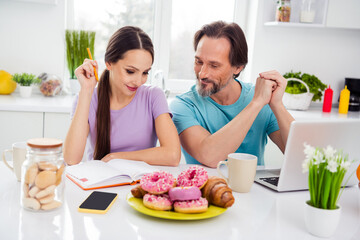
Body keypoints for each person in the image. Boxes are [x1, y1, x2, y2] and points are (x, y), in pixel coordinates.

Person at [170, 21, 295, 168]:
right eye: (198, 61)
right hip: (206, 189)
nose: (202, 73)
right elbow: (210, 157)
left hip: (254, 190)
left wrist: (277, 105)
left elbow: (301, 157)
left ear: (238, 68)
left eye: (214, 65)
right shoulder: (183, 105)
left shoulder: (261, 100)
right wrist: (256, 103)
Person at [64, 26, 181, 166]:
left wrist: (116, 157)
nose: (138, 81)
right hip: (99, 183)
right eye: (130, 71)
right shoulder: (87, 98)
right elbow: (71, 159)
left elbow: (173, 155)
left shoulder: (153, 96)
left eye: (145, 73)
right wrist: (86, 90)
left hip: (140, 184)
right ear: (109, 63)